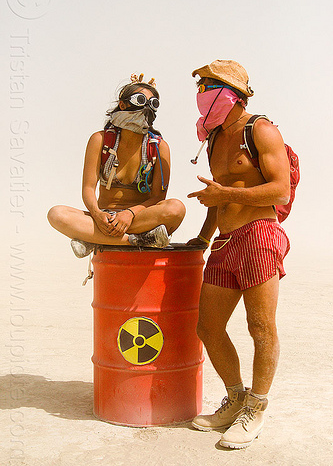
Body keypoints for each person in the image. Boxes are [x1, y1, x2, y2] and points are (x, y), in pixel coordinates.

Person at [187, 60, 290, 449]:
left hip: (260, 235)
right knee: (208, 328)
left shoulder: (260, 130)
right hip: (225, 241)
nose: (203, 94)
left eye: (210, 86)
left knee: (260, 328)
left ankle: (256, 410)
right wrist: (201, 237)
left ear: (234, 94)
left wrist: (226, 195)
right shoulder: (212, 138)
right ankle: (235, 400)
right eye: (200, 87)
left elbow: (280, 191)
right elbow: (217, 197)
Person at [48, 74, 186, 256]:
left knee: (176, 208)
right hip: (103, 218)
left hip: (138, 219)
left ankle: (93, 238)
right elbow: (88, 188)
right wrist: (97, 215)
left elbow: (158, 197)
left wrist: (129, 214)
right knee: (56, 214)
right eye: (140, 100)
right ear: (122, 105)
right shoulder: (100, 140)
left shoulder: (159, 148)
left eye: (152, 104)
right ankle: (134, 240)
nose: (146, 108)